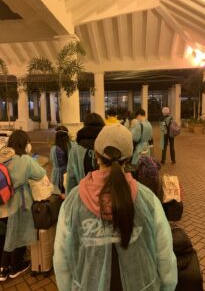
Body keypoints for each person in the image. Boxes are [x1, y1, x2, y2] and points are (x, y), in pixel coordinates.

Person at [54, 124, 177, 291]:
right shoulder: (148, 199)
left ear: (96, 156)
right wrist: (167, 286)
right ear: (128, 158)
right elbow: (165, 256)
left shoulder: (72, 202)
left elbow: (62, 259)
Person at [0, 130, 46, 281]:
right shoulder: (24, 160)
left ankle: (3, 269)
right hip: (18, 202)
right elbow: (40, 173)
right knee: (17, 235)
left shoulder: (2, 155)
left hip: (2, 201)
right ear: (24, 144)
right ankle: (15, 267)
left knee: (6, 235)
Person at [66, 113, 105, 194]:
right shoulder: (107, 145)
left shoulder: (75, 149)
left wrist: (69, 198)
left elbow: (71, 176)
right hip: (106, 196)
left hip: (83, 196)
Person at [50, 126, 72, 194]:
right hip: (69, 176)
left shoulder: (54, 149)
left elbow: (52, 161)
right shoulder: (71, 146)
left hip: (58, 177)